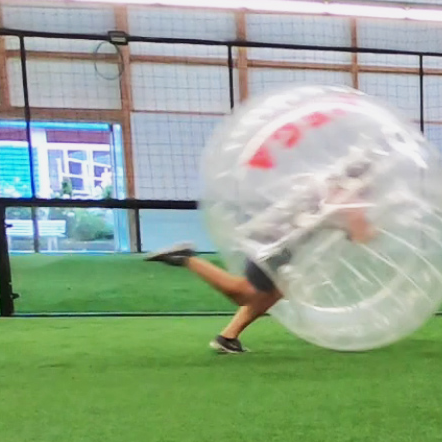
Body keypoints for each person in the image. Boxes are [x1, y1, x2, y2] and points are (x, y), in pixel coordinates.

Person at [145, 150, 378, 354]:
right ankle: (186, 258)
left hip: (275, 235)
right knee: (244, 293)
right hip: (276, 242)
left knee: (275, 291)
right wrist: (383, 223)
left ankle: (228, 337)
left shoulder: (328, 185)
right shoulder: (346, 197)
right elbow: (361, 236)